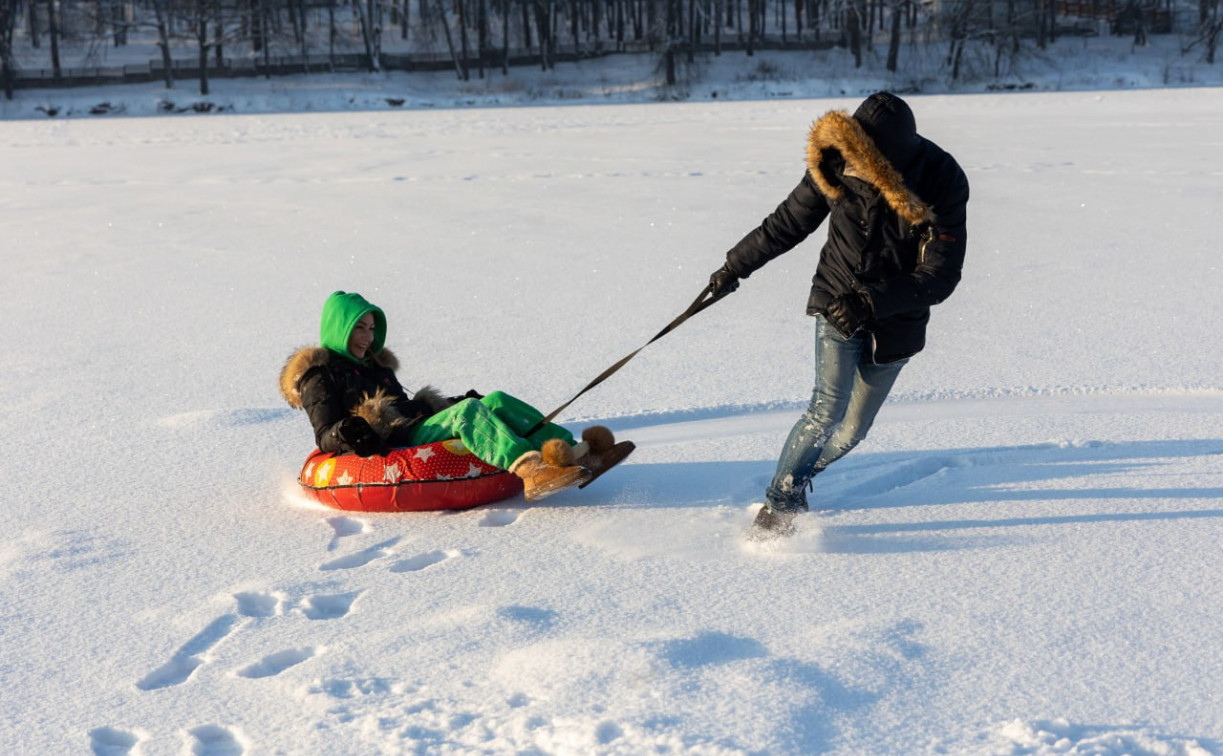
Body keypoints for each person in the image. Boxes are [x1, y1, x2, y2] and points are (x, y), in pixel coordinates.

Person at [708, 92, 969, 536]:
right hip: (836, 298)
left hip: (897, 320)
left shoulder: (940, 180)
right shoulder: (834, 163)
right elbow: (786, 223)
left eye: (868, 160)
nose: (856, 164)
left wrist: (872, 301)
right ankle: (779, 505)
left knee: (851, 432)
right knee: (825, 411)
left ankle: (801, 474)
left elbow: (940, 276)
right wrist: (734, 267)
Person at [279, 291, 634, 502]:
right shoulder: (318, 376)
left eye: (371, 328)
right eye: (359, 327)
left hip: (411, 423)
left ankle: (580, 454)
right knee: (468, 415)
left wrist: (450, 400)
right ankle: (530, 471)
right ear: (338, 328)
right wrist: (348, 431)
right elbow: (324, 434)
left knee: (494, 401)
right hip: (391, 440)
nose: (367, 337)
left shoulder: (374, 366)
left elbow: (401, 404)